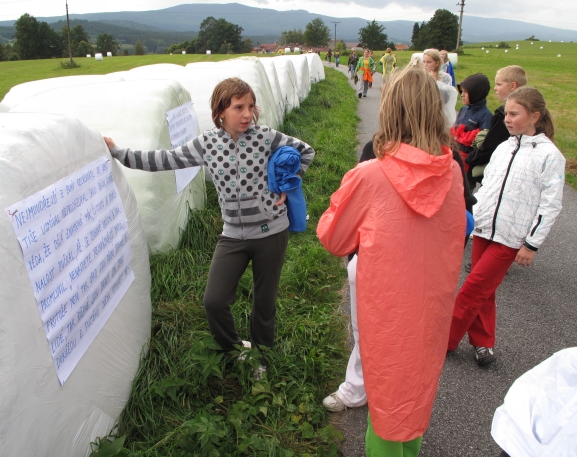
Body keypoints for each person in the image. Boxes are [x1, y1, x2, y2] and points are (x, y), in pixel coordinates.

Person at [103, 78, 316, 379]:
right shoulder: (207, 144)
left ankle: (261, 358)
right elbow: (165, 159)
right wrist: (119, 152)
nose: (247, 114)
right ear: (220, 111)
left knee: (264, 302)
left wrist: (287, 183)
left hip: (271, 232)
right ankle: (234, 349)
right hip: (233, 236)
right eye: (238, 107)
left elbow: (306, 152)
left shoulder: (267, 137)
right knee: (213, 301)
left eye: (250, 106)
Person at [317, 64, 466, 456]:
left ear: (390, 109)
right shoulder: (452, 170)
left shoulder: (371, 174)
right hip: (432, 305)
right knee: (414, 395)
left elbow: (334, 238)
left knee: (385, 404)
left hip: (386, 309)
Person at [447, 87, 565, 366]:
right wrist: (473, 218)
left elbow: (550, 204)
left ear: (535, 116)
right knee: (484, 290)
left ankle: (443, 340)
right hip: (484, 229)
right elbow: (488, 186)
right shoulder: (504, 147)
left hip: (511, 238)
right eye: (506, 114)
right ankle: (483, 342)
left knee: (473, 288)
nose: (507, 119)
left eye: (514, 114)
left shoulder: (550, 156)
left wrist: (531, 244)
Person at [465, 65, 527, 189]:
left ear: (512, 86)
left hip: (500, 172)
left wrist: (471, 159)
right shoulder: (530, 110)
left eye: (499, 84)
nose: (495, 88)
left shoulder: (503, 115)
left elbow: (490, 146)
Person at [451, 73, 493, 174]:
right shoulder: (464, 109)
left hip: (469, 162)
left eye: (465, 92)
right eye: (462, 91)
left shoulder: (486, 115)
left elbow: (483, 144)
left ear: (476, 93)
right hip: (456, 155)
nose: (462, 95)